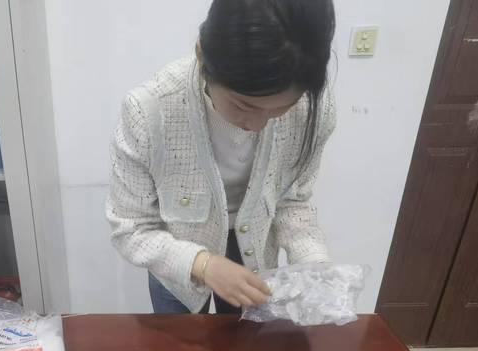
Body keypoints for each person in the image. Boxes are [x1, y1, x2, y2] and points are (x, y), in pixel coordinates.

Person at [106, 0, 336, 314]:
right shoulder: (149, 111)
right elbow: (131, 228)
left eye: (282, 108)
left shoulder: (313, 109)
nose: (257, 125)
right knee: (182, 341)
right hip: (175, 257)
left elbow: (292, 200)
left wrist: (314, 264)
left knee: (247, 340)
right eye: (244, 105)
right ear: (201, 55)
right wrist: (202, 264)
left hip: (253, 251)